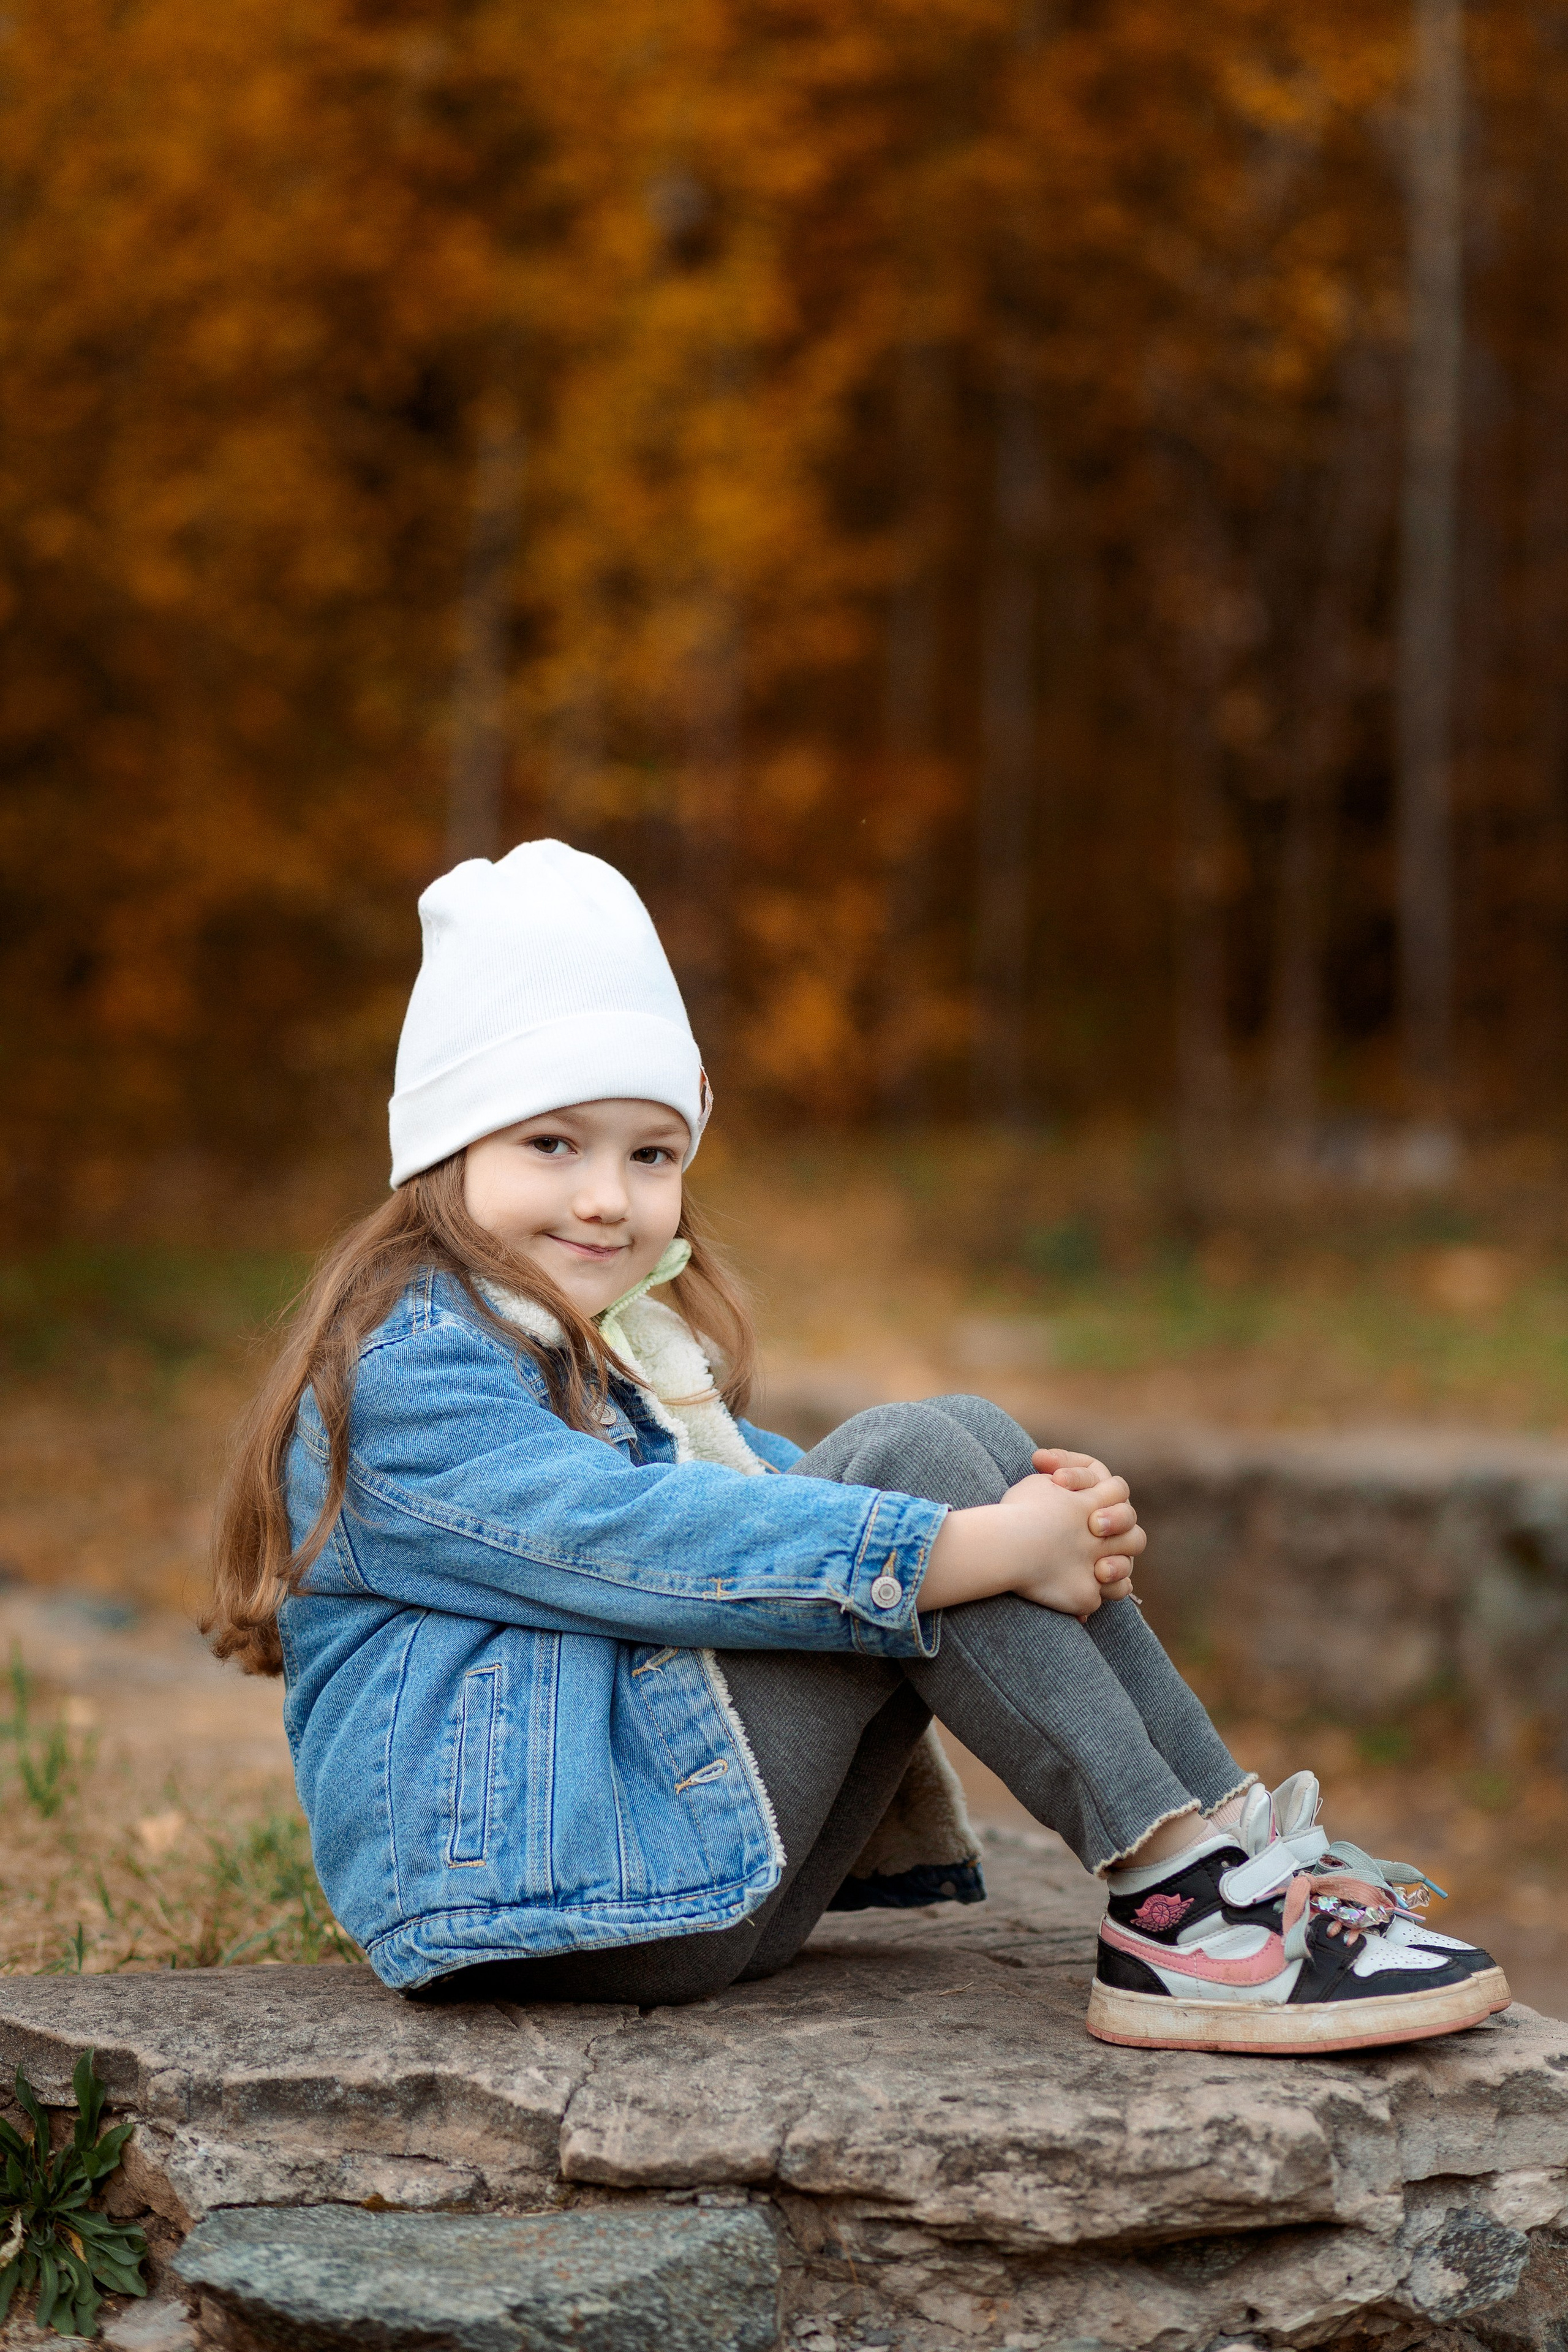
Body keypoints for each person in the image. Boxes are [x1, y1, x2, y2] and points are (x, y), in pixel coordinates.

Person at [205, 841, 1508, 2054]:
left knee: (960, 1440)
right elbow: (637, 1541)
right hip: (537, 1894)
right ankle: (1184, 1907)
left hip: (666, 1878)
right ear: (446, 1151)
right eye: (553, 1143)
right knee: (911, 1472)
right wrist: (974, 1544)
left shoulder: (607, 1344)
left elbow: (766, 1495)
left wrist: (1037, 1521)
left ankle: (1226, 1849)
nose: (607, 1196)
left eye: (650, 1153)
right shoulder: (404, 1370)